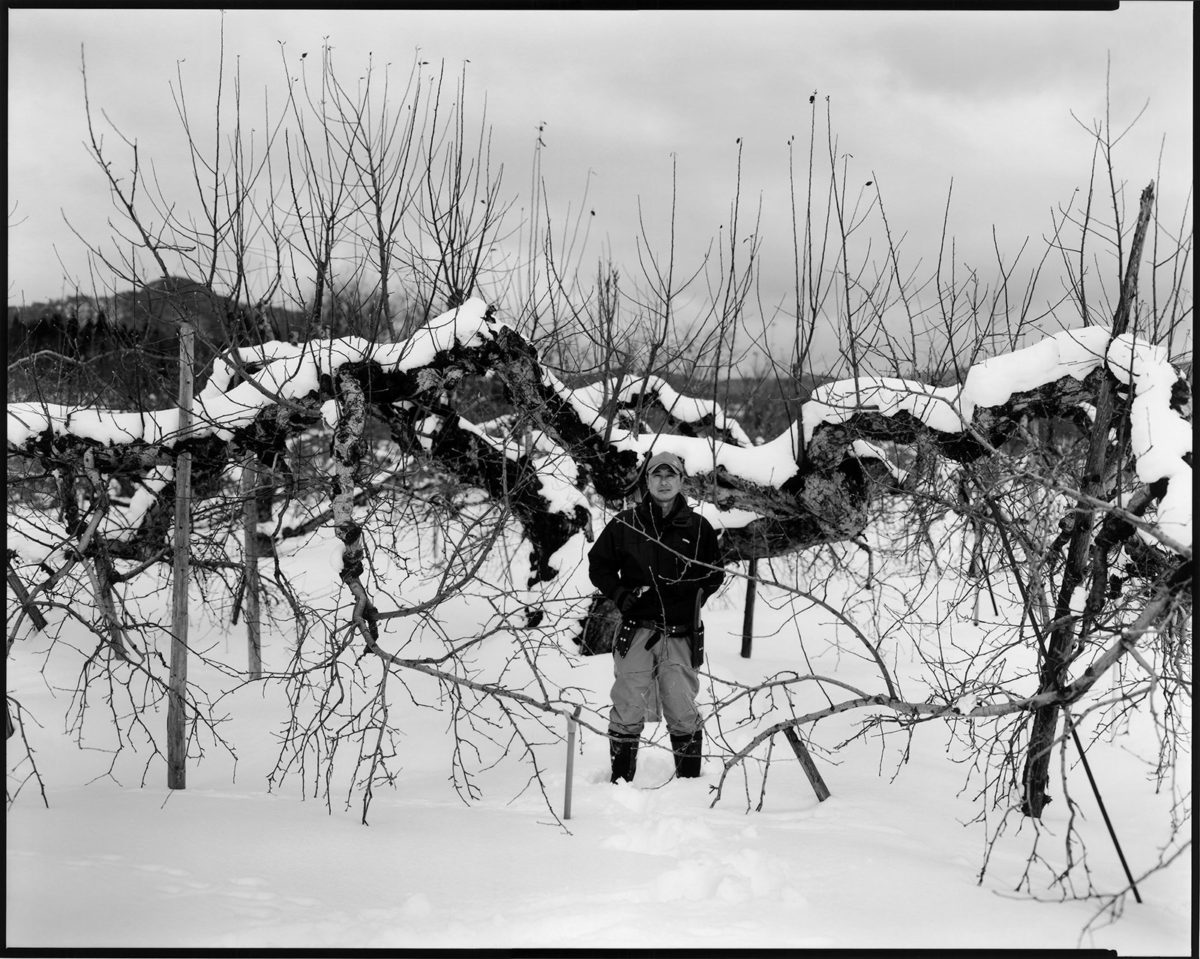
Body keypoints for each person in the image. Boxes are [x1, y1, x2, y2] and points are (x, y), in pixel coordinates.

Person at [588, 450, 725, 783]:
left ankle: (689, 784)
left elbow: (714, 573)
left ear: (681, 481)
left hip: (680, 634)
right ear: (647, 481)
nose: (664, 482)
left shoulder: (698, 528)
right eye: (657, 475)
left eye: (670, 476)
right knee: (627, 705)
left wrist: (692, 600)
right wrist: (621, 595)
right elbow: (599, 565)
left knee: (682, 707)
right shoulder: (626, 524)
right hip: (637, 630)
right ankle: (621, 783)